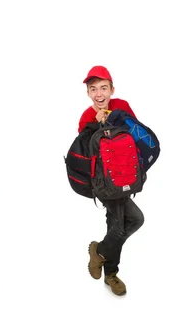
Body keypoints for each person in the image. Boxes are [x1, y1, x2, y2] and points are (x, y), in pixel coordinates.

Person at [79, 65, 145, 296]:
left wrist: (113, 120)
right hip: (104, 183)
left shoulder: (122, 107)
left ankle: (100, 252)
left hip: (125, 176)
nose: (99, 94)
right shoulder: (86, 117)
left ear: (112, 89)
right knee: (118, 225)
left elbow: (135, 134)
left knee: (134, 220)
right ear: (88, 93)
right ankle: (111, 274)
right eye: (93, 89)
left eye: (103, 88)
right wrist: (95, 126)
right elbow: (86, 153)